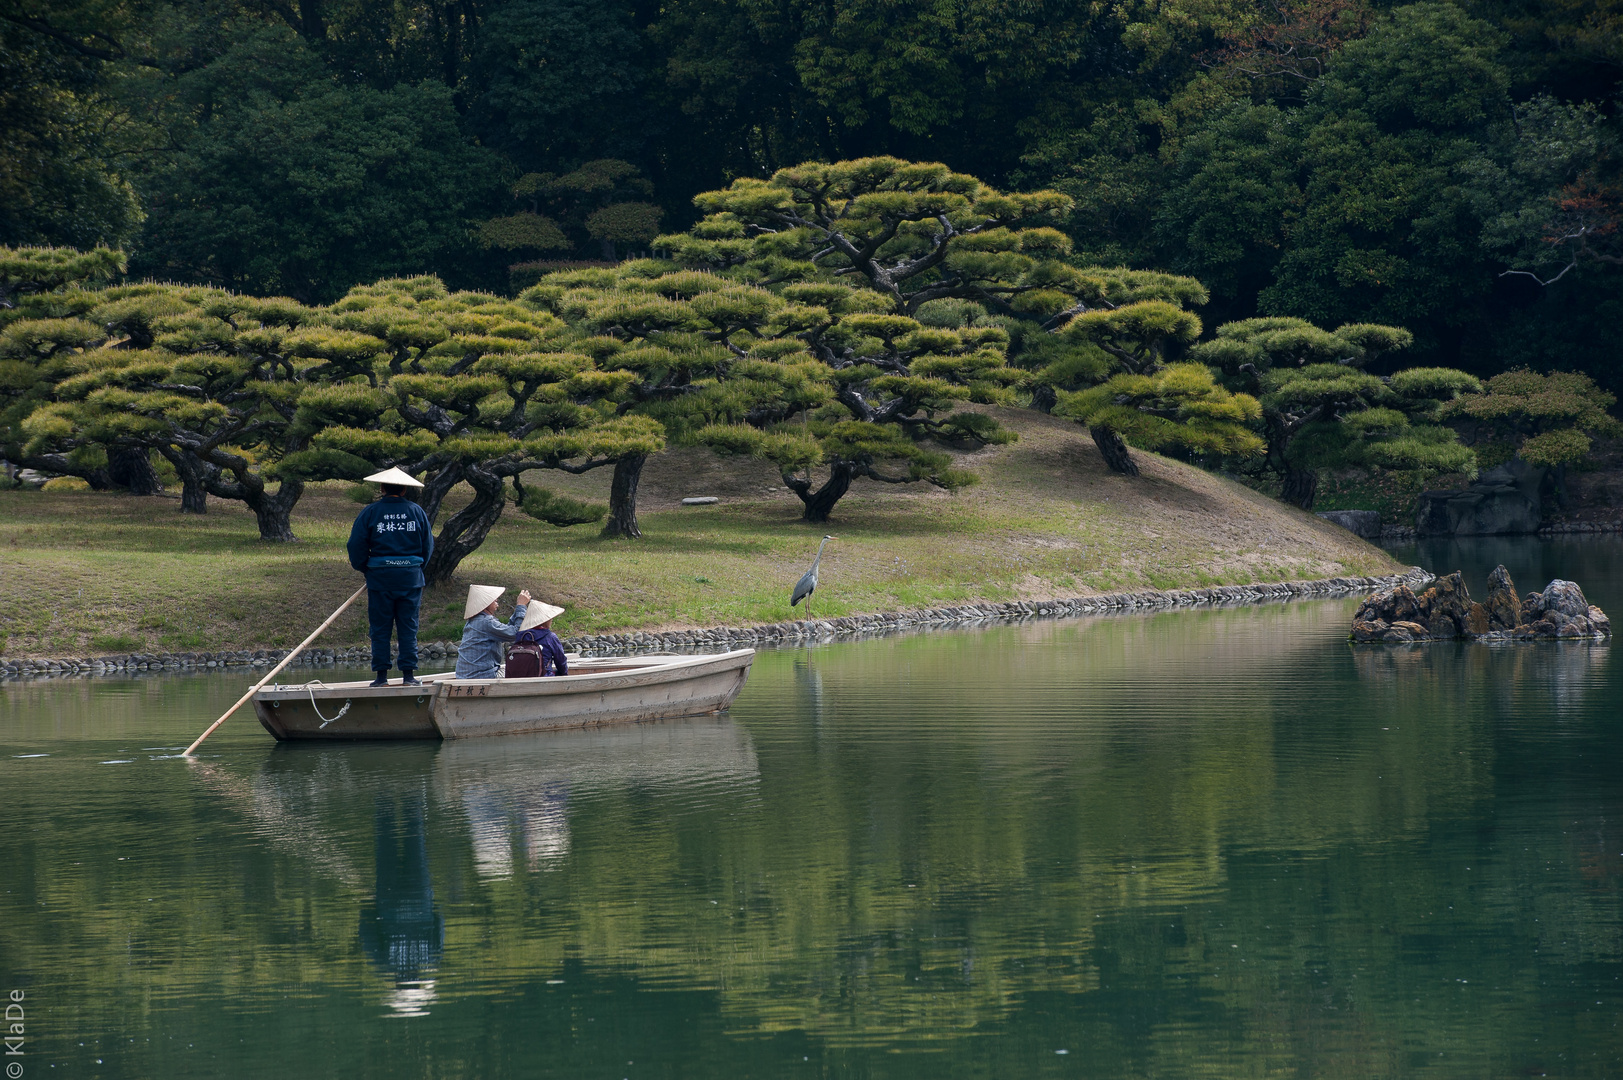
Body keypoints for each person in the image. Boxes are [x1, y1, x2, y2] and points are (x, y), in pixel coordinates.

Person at [347, 467, 433, 687]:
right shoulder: (416, 512)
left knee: (380, 628)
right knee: (408, 626)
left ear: (382, 488)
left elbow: (356, 545)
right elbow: (428, 547)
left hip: (380, 578)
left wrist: (366, 567)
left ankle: (381, 677)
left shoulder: (370, 512)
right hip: (410, 578)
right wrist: (414, 566)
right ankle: (408, 677)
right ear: (404, 489)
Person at [455, 585, 531, 680]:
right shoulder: (486, 622)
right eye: (494, 600)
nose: (497, 602)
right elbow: (517, 634)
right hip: (481, 677)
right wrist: (521, 606)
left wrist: (519, 609)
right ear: (485, 604)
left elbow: (508, 629)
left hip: (466, 676)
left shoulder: (474, 621)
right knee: (525, 670)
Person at [507, 601, 569, 678]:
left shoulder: (520, 635)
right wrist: (564, 674)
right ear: (546, 620)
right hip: (544, 678)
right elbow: (561, 660)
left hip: (520, 678)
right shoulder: (550, 637)